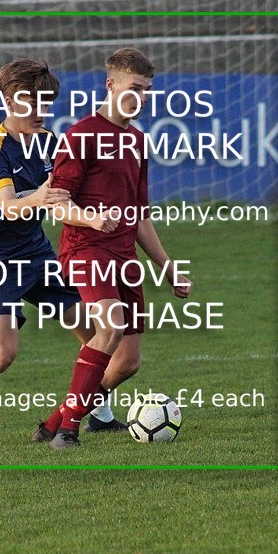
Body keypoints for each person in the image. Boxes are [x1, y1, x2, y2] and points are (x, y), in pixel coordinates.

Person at [0, 59, 118, 447]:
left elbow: (65, 198)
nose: (40, 111)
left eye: (45, 102)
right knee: (1, 354)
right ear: (8, 100)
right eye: (31, 102)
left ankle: (99, 417)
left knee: (97, 334)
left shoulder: (52, 145)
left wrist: (92, 213)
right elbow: (7, 205)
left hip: (37, 255)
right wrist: (38, 196)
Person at [39, 48, 194, 450]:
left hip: (123, 256)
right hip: (86, 248)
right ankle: (69, 431)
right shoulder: (81, 135)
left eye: (147, 91)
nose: (141, 98)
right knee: (108, 328)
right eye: (134, 88)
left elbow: (140, 216)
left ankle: (55, 420)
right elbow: (58, 202)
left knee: (128, 362)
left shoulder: (138, 141)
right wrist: (91, 218)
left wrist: (168, 267)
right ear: (111, 85)